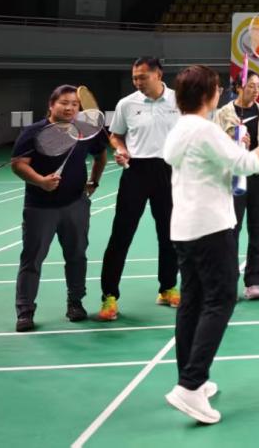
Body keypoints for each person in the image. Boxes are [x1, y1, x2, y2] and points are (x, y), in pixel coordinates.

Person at [162, 64, 259, 424]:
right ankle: (190, 385)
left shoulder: (180, 129)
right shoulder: (205, 129)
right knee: (220, 300)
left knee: (192, 303)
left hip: (184, 229)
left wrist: (233, 150)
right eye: (216, 88)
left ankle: (192, 379)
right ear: (207, 94)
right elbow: (248, 165)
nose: (220, 92)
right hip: (211, 228)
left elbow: (215, 165)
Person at [12, 85, 109, 331]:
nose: (69, 108)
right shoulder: (34, 131)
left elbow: (100, 156)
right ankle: (25, 311)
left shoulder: (86, 130)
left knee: (76, 255)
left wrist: (94, 181)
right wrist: (40, 181)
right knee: (32, 259)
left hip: (76, 204)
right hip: (39, 207)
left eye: (75, 104)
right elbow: (19, 164)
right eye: (64, 103)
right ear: (51, 105)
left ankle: (75, 303)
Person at [97, 57, 182, 321]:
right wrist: (121, 149)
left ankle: (167, 288)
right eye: (134, 77)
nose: (137, 82)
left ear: (158, 75)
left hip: (169, 170)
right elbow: (116, 135)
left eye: (142, 77)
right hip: (136, 171)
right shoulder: (126, 104)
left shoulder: (179, 100)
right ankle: (109, 296)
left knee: (170, 234)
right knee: (121, 235)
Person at [214, 73, 259, 300]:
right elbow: (215, 146)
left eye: (258, 86)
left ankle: (254, 282)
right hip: (234, 178)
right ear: (239, 87)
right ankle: (228, 282)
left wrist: (257, 154)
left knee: (258, 231)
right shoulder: (223, 114)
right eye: (251, 85)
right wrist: (235, 144)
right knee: (231, 232)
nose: (256, 89)